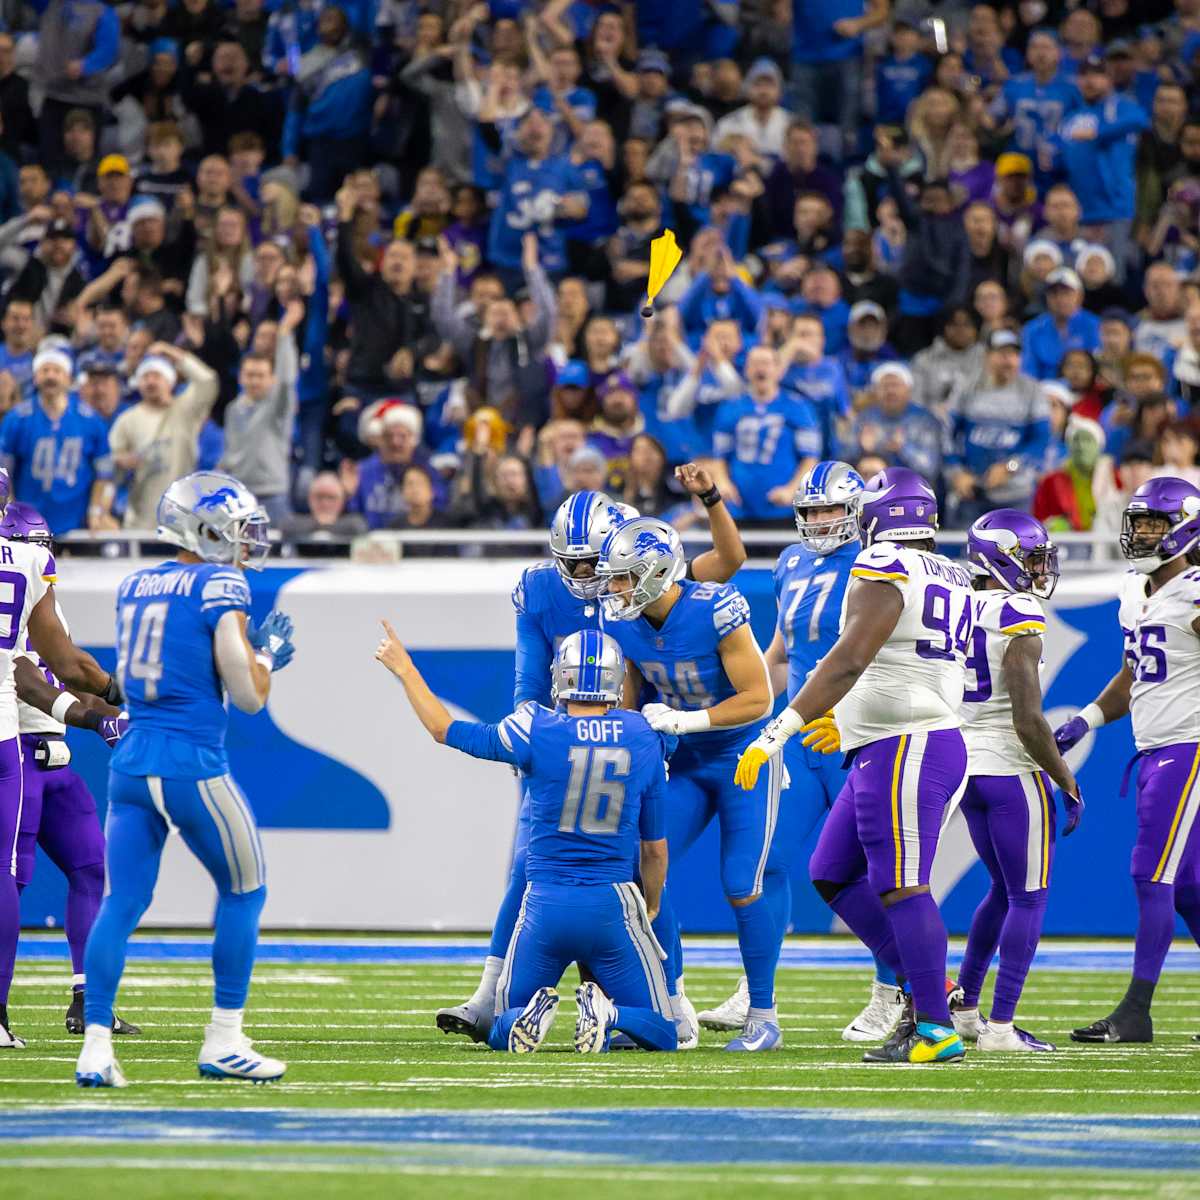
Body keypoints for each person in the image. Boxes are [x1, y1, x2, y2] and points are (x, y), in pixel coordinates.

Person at [437, 474, 747, 1045]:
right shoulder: (539, 588)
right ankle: (492, 991)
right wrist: (536, 736)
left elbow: (722, 565)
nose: (582, 578)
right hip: (569, 732)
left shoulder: (640, 568)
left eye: (592, 565)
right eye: (570, 563)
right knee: (528, 863)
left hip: (640, 739)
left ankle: (669, 991)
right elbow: (528, 679)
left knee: (643, 867)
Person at [736, 467, 972, 1065]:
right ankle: (930, 989)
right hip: (898, 736)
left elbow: (848, 660)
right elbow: (899, 665)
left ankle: (934, 1028)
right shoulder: (952, 572)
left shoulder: (883, 565)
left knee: (900, 884)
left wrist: (779, 729)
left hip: (909, 741)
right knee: (834, 870)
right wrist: (848, 721)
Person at [74, 471, 295, 1088]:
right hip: (191, 762)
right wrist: (268, 657)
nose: (246, 541)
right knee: (245, 890)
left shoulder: (136, 582)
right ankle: (224, 1038)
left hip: (131, 762)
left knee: (122, 903)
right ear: (204, 528)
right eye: (236, 528)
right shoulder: (220, 582)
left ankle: (95, 1046)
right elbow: (248, 694)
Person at [378, 626, 676, 1054]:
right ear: (615, 681)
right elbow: (654, 849)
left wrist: (405, 669)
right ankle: (609, 1015)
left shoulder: (534, 727)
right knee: (663, 1030)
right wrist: (651, 903)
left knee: (501, 1028)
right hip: (612, 903)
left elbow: (444, 729)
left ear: (562, 677)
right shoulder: (644, 736)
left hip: (544, 904)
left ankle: (530, 1016)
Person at [698, 461, 905, 1043]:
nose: (819, 521)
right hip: (799, 735)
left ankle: (893, 990)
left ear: (856, 511)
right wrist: (755, 709)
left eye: (831, 510)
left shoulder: (876, 564)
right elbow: (782, 649)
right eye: (810, 511)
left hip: (853, 732)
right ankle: (754, 988)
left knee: (879, 867)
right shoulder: (790, 562)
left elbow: (873, 652)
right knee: (768, 860)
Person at [598, 516, 780, 1053]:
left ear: (656, 571)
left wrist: (686, 721)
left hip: (743, 754)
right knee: (639, 869)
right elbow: (630, 699)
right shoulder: (625, 624)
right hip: (684, 760)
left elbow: (759, 697)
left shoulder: (714, 606)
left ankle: (764, 1014)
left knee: (741, 882)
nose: (615, 589)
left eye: (625, 578)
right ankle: (667, 1005)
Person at [1054, 478, 1200, 1044]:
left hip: (1187, 749)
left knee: (1151, 874)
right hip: (1155, 750)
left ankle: (1136, 1012)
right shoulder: (1137, 591)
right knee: (1186, 889)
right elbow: (1133, 675)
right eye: (1138, 523)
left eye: (1154, 525)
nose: (1141, 533)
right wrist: (1085, 719)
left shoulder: (1193, 590)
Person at [2, 500, 137, 1038]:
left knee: (92, 868)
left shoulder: (43, 601)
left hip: (52, 755)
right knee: (10, 877)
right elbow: (31, 680)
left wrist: (115, 713)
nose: (45, 554)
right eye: (39, 544)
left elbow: (72, 671)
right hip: (20, 748)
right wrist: (94, 714)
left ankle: (88, 997)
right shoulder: (25, 579)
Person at [952, 510, 1082, 1053]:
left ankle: (967, 1008)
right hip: (1009, 767)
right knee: (1029, 897)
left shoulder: (957, 604)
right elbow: (1028, 719)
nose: (1036, 570)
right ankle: (1001, 1027)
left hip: (965, 769)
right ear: (997, 557)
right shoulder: (1019, 610)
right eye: (1029, 558)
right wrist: (1066, 778)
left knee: (1002, 891)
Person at [0, 345, 114, 535]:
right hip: (27, 525)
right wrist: (7, 511)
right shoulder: (16, 419)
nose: (51, 376)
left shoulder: (91, 420)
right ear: (36, 377)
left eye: (57, 371)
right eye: (45, 371)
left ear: (68, 378)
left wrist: (97, 511)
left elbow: (104, 474)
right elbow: (4, 472)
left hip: (77, 524)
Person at [108, 342, 220, 530]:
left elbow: (207, 381)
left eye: (157, 376)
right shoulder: (127, 420)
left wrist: (172, 353)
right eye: (145, 376)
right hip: (141, 517)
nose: (151, 381)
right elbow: (109, 462)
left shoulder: (186, 410)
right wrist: (120, 462)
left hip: (184, 516)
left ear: (170, 381)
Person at [946, 330, 1051, 527]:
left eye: (1014, 354)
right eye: (1002, 354)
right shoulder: (967, 387)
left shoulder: (1032, 391)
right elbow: (947, 434)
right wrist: (956, 472)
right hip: (971, 491)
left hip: (1016, 495)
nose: (1009, 361)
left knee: (1015, 555)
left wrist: (1010, 467)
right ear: (987, 356)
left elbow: (1041, 440)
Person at [710, 345, 822, 524]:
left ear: (778, 370)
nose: (760, 368)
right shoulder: (730, 408)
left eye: (766, 363)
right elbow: (719, 456)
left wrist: (793, 489)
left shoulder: (798, 407)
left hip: (782, 509)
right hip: (738, 507)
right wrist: (723, 483)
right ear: (746, 370)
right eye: (754, 363)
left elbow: (810, 458)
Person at [1021, 267, 1101, 381]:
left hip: (1085, 389)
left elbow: (1098, 365)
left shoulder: (1095, 325)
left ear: (1080, 295)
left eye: (1066, 293)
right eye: (1054, 294)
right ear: (1047, 298)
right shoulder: (1032, 329)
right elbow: (1028, 371)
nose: (1060, 299)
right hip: (1045, 390)